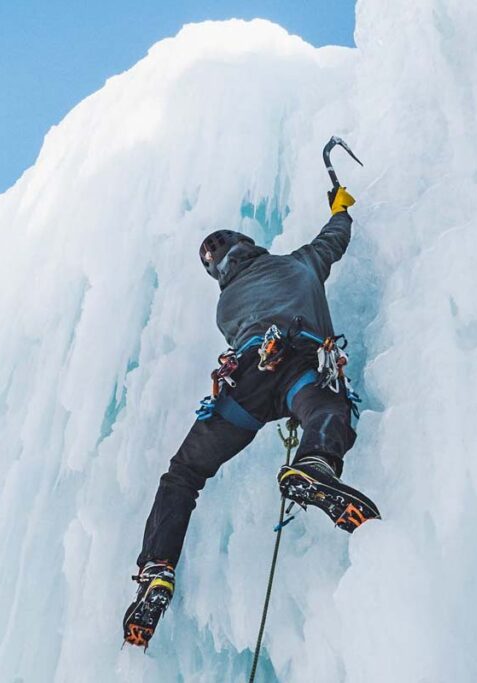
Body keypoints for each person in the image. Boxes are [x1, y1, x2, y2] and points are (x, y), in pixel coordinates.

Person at [123, 185, 380, 648]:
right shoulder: (297, 264)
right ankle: (314, 462)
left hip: (243, 382)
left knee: (183, 474)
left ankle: (156, 569)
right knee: (326, 408)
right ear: (248, 244)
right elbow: (333, 241)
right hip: (297, 363)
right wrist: (340, 208)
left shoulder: (226, 305)